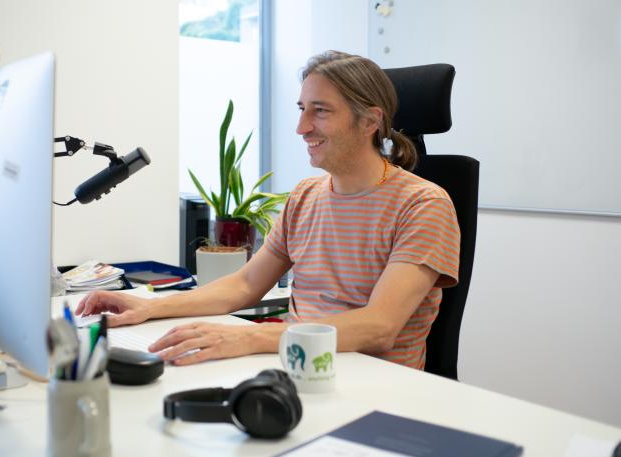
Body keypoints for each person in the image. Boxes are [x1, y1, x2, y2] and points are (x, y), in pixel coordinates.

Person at [76, 51, 460, 370]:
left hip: (376, 384)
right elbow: (244, 285)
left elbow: (379, 327)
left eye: (320, 111)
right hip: (296, 364)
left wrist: (251, 336)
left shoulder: (423, 205)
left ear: (371, 121)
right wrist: (150, 306)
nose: (301, 127)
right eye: (301, 109)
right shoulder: (306, 196)